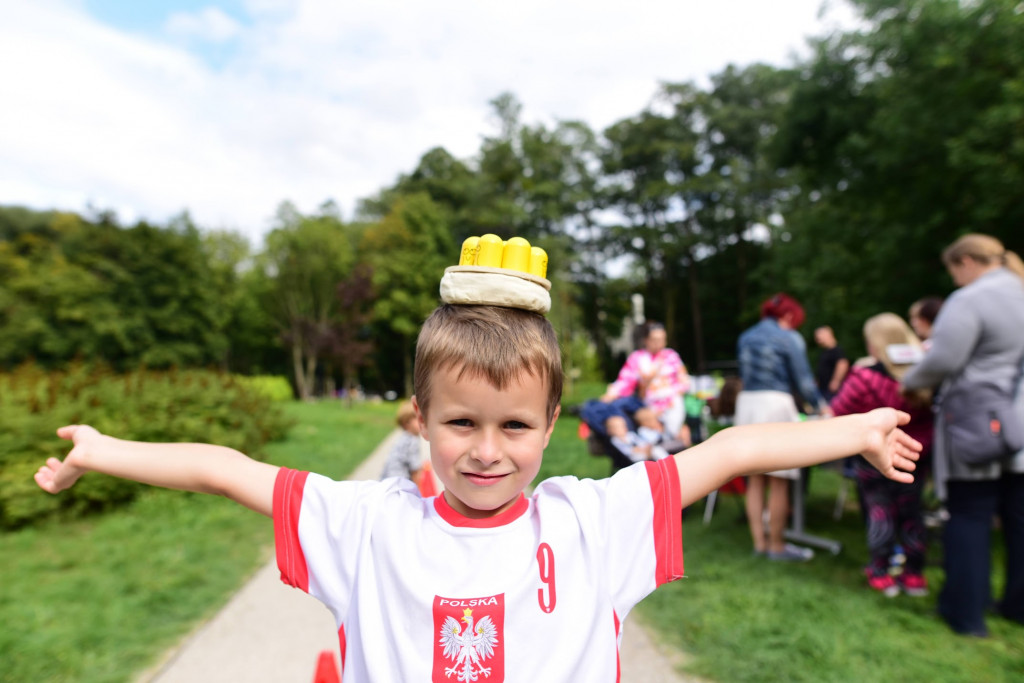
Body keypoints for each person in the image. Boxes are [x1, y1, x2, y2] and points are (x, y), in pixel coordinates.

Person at [35, 289, 922, 680]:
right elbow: (224, 469)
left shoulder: (593, 520)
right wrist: (104, 446)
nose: (488, 450)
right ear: (418, 418)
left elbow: (727, 449)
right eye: (462, 422)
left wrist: (857, 426)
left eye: (515, 426)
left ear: (552, 425)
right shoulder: (364, 522)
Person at [902, 233, 1024, 638]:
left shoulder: (971, 299)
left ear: (967, 261)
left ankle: (966, 614)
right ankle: (1016, 606)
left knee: (970, 514)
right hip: (1019, 424)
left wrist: (909, 380)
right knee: (1018, 518)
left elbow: (945, 358)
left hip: (976, 423)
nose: (955, 281)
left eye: (955, 271)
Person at [830, 313, 933, 597]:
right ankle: (913, 575)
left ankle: (881, 571)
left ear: (874, 344)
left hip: (874, 455)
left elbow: (838, 410)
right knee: (912, 512)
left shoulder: (864, 376)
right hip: (917, 453)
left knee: (880, 511)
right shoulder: (923, 375)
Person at [736, 293, 830, 561]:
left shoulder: (745, 337)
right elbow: (803, 381)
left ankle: (759, 543)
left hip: (748, 405)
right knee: (779, 480)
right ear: (788, 316)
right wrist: (823, 407)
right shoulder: (788, 337)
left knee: (754, 479)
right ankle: (776, 546)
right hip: (775, 405)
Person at [600, 321, 691, 444]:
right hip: (648, 407)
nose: (659, 343)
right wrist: (611, 394)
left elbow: (684, 381)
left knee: (676, 434)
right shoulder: (637, 358)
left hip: (672, 404)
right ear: (646, 340)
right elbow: (624, 381)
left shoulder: (671, 356)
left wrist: (671, 398)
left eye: (662, 339)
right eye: (655, 340)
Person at [379, 400, 432, 495]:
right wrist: (417, 494)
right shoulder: (412, 441)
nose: (423, 422)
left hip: (386, 483)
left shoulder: (404, 438)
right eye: (417, 419)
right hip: (399, 486)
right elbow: (415, 471)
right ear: (406, 423)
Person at [813, 325, 850, 402]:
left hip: (831, 391)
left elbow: (843, 364)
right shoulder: (825, 351)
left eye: (820, 334)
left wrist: (836, 381)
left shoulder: (836, 350)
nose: (817, 338)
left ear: (828, 334)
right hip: (823, 389)